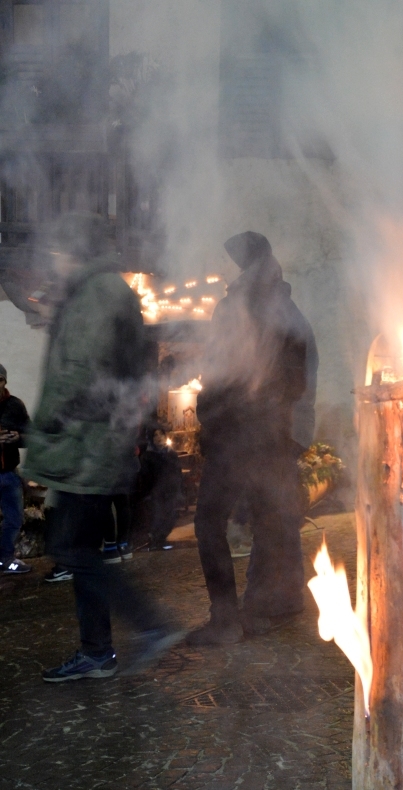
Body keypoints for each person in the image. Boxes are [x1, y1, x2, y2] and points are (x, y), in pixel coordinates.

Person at [25, 212, 182, 681]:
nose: (55, 258)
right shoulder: (104, 290)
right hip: (93, 441)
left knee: (74, 548)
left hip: (85, 443)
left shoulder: (98, 292)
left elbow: (78, 367)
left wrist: (45, 423)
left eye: (60, 249)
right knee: (80, 550)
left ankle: (148, 627)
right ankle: (98, 650)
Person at [187, 231, 317, 646]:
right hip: (264, 436)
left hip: (244, 436)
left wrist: (212, 422)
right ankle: (269, 605)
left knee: (212, 522)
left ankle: (229, 619)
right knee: (272, 520)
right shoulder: (286, 310)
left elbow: (222, 375)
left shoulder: (241, 308)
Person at [0, 365, 31, 574]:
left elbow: (31, 435)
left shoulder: (15, 405)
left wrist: (19, 438)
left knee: (14, 518)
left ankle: (5, 558)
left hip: (9, 473)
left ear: (4, 381)